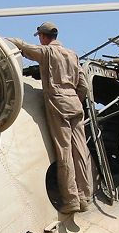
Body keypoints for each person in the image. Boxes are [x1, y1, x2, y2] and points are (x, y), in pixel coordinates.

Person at [7, 22, 93, 214]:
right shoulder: (72, 54)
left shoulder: (47, 53)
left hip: (58, 103)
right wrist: (75, 99)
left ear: (43, 37)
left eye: (39, 36)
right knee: (80, 150)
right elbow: (84, 86)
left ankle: (71, 200)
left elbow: (24, 47)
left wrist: (6, 41)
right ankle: (85, 196)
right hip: (75, 104)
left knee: (64, 151)